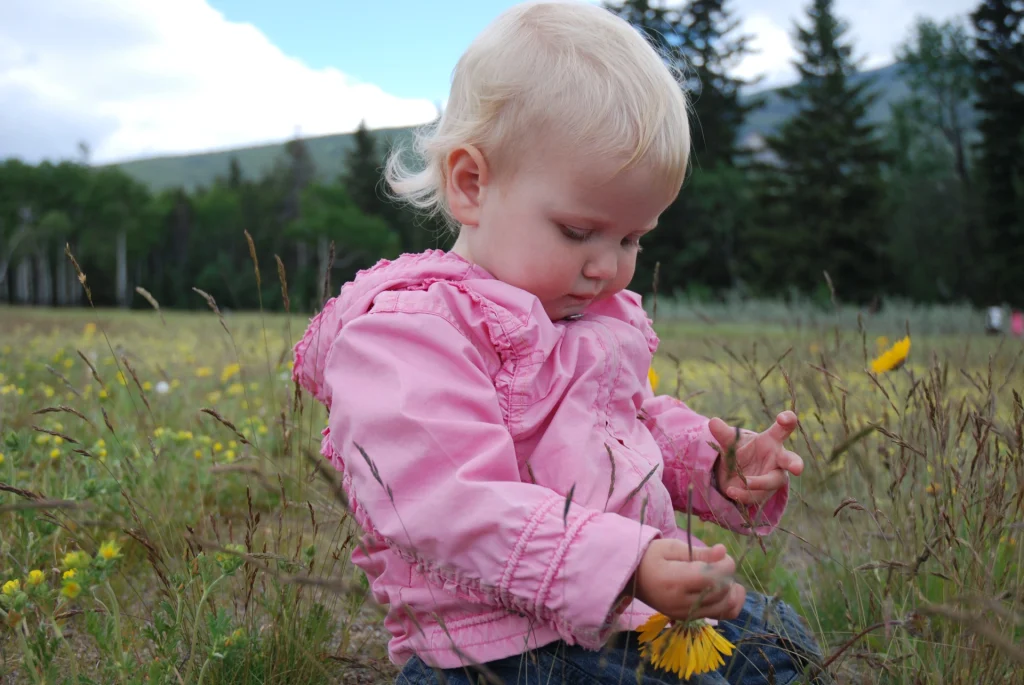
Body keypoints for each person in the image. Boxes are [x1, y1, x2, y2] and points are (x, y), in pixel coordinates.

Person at [292, 2, 829, 682]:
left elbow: (622, 431)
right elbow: (451, 504)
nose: (608, 265)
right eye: (580, 232)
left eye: (633, 238)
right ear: (471, 184)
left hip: (623, 607)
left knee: (785, 646)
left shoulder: (587, 314)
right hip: (501, 645)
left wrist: (711, 465)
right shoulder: (407, 332)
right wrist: (627, 562)